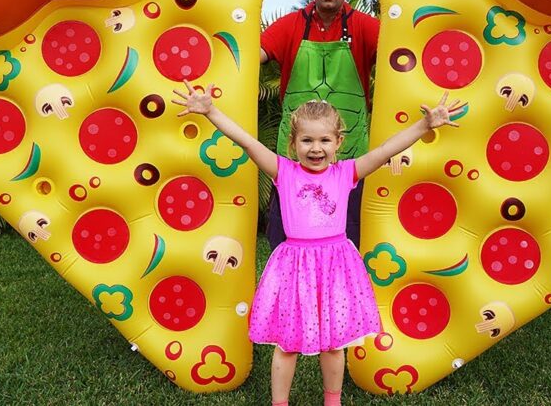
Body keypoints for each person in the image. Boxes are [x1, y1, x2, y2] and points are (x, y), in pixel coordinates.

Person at [172, 80, 464, 406]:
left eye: (325, 140)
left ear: (338, 142)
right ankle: (279, 403)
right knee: (287, 344)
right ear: (293, 142)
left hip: (336, 267)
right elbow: (246, 142)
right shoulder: (283, 170)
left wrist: (424, 124)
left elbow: (386, 150)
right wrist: (211, 111)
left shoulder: (346, 173)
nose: (316, 148)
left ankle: (332, 400)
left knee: (334, 344)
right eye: (307, 140)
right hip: (294, 266)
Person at [260, 0, 379, 250]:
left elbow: (403, 58)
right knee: (287, 242)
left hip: (348, 162)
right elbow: (247, 59)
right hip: (295, 166)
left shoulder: (364, 26)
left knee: (348, 243)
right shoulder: (291, 25)